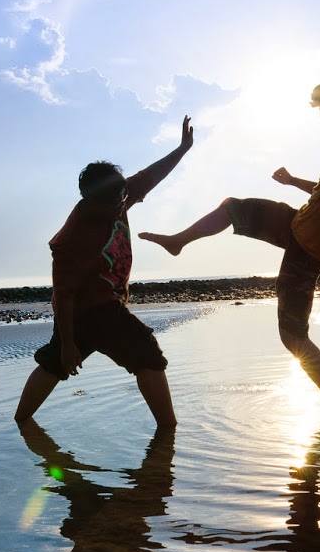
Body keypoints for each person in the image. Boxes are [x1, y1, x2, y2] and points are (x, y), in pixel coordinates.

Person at [139, 85, 320, 414]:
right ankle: (178, 241)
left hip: (310, 248)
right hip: (297, 225)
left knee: (293, 336)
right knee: (233, 207)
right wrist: (294, 181)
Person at [14, 117, 194, 429]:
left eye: (123, 199)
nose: (119, 207)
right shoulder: (71, 239)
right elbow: (63, 296)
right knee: (147, 354)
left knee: (55, 362)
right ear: (89, 199)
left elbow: (152, 176)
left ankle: (21, 424)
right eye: (112, 203)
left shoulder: (117, 195)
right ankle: (169, 432)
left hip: (103, 305)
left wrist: (182, 149)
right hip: (92, 309)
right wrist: (69, 343)